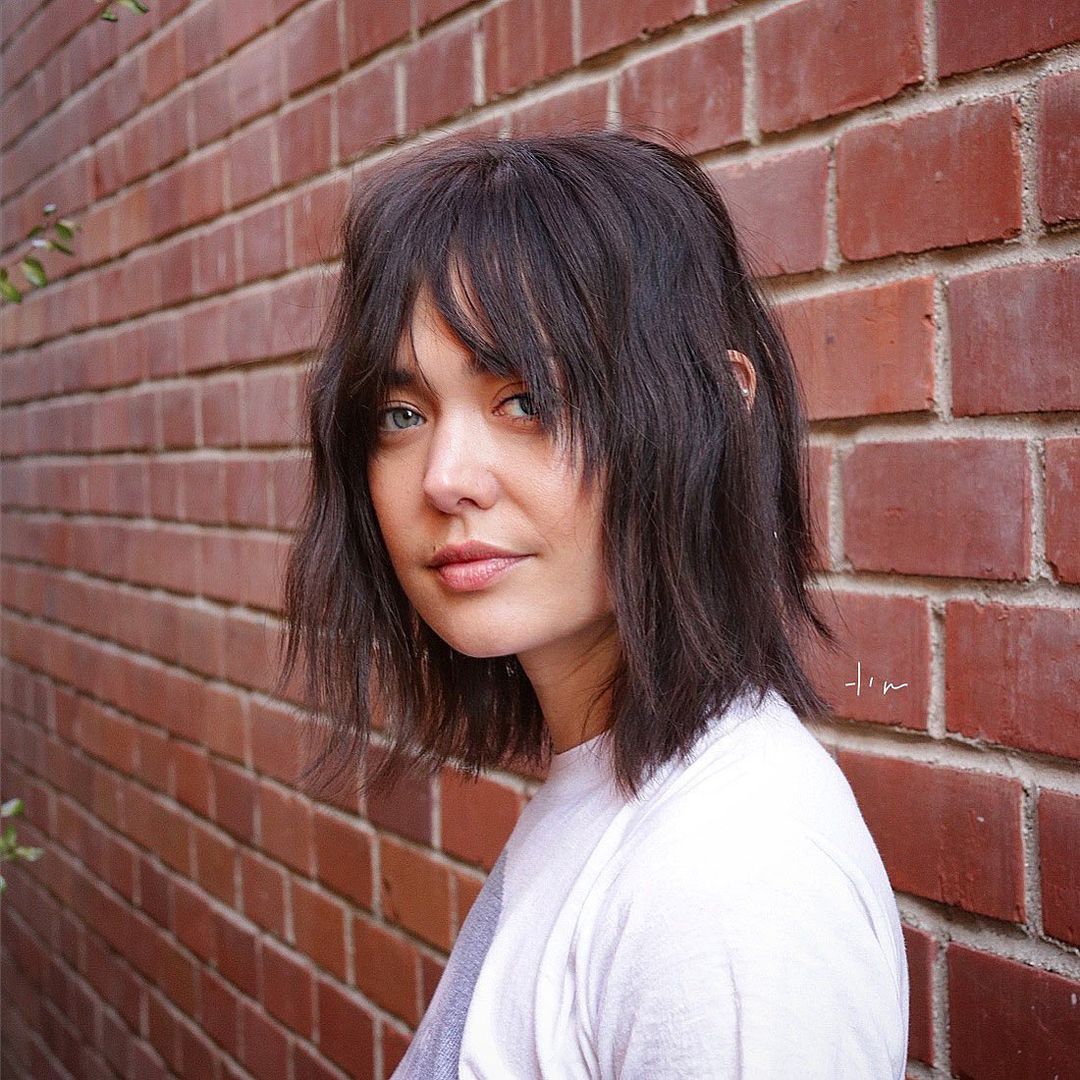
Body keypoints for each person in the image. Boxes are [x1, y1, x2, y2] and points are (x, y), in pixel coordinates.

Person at [277, 128, 910, 1078]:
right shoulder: (614, 792)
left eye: (526, 399)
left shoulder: (731, 884)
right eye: (402, 414)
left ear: (711, 412)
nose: (446, 478)